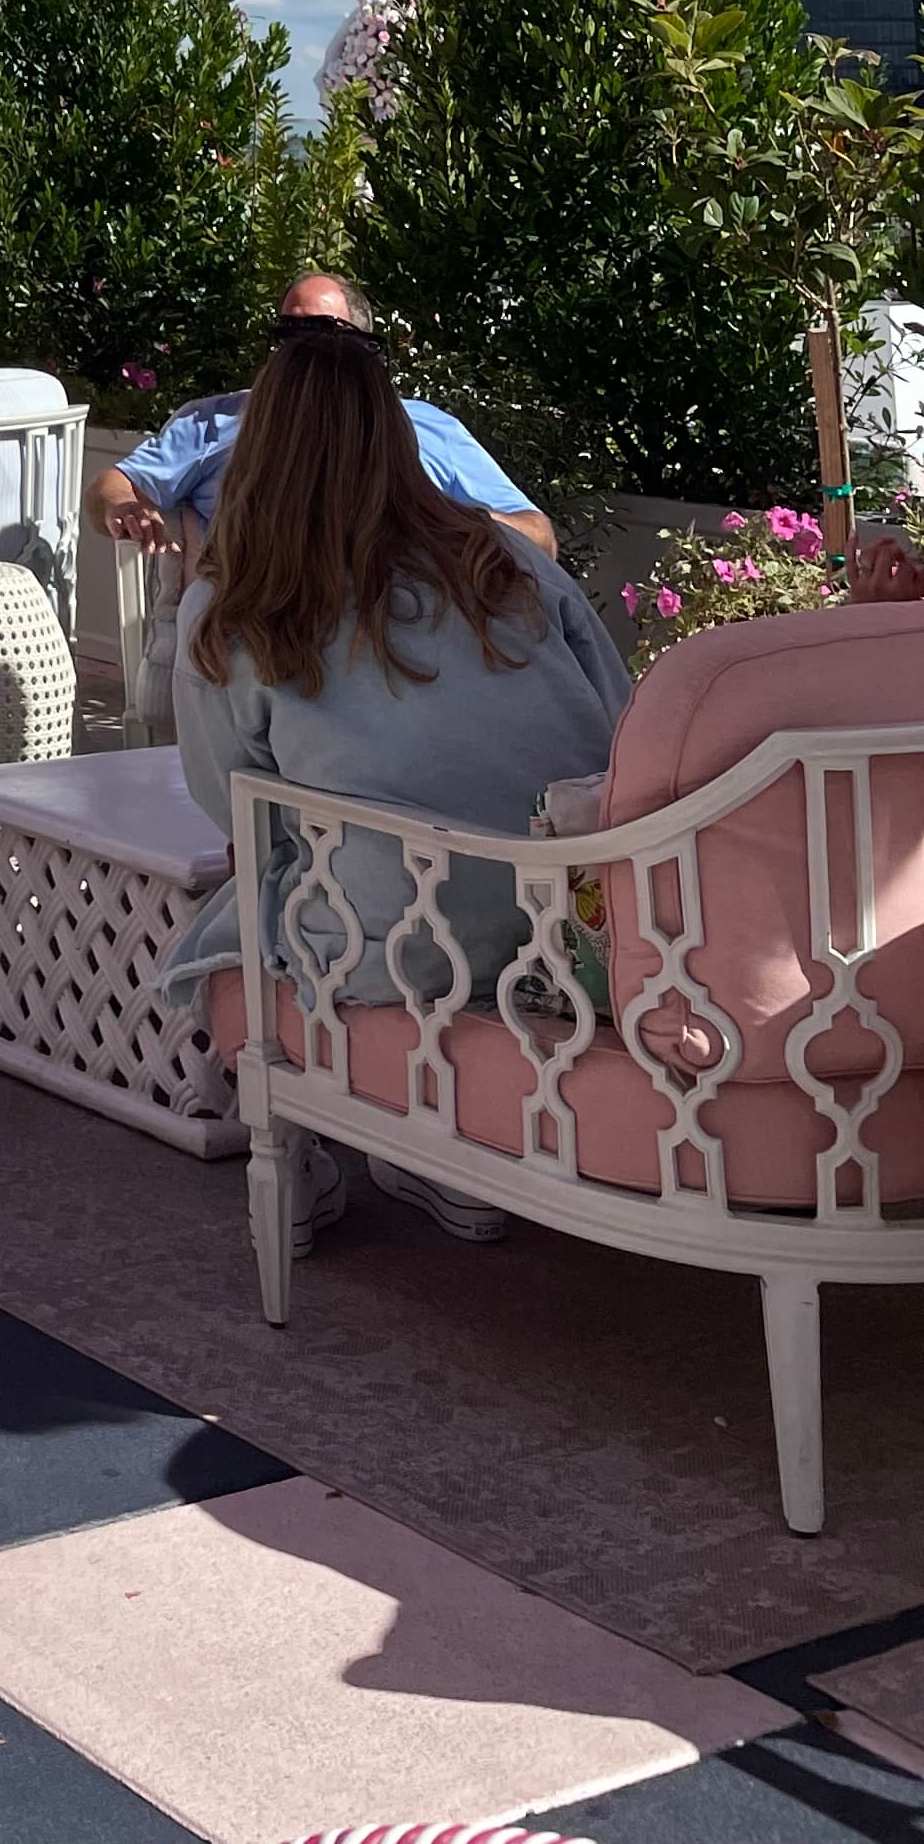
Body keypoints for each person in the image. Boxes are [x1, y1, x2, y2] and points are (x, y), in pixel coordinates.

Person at [168, 311, 631, 1256]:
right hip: (566, 929)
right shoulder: (512, 565)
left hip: (399, 947)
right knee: (334, 873)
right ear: (397, 433)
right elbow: (618, 730)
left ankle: (295, 1161)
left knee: (232, 931)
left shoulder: (234, 606)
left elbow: (233, 807)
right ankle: (439, 1157)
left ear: (260, 447)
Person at [91, 273, 556, 566]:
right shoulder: (216, 423)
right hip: (267, 630)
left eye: (319, 332)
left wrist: (437, 520)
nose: (301, 350)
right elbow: (112, 486)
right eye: (287, 333)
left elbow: (539, 538)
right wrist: (123, 508)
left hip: (410, 635)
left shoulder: (428, 427)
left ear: (365, 347)